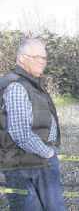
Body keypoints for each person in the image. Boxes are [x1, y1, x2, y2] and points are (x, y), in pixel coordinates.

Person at [0, 39, 67, 210]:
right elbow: (20, 133)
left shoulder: (29, 82)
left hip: (34, 157)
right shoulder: (17, 86)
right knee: (54, 205)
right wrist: (47, 153)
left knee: (34, 203)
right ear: (22, 58)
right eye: (36, 57)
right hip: (37, 159)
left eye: (44, 58)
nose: (42, 62)